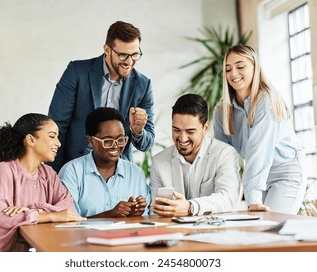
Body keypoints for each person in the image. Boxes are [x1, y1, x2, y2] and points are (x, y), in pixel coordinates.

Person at [48, 20, 155, 173]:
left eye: (135, 54)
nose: (130, 62)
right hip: (77, 166)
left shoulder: (143, 85)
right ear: (107, 49)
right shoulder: (77, 72)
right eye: (123, 55)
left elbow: (146, 143)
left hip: (118, 172)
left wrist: (137, 131)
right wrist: (54, 175)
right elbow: (57, 126)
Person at [0, 113, 85, 252]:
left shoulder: (48, 173)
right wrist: (50, 215)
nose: (58, 143)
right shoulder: (4, 169)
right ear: (31, 140)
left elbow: (68, 207)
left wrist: (34, 210)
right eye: (52, 136)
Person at [213, 45, 307, 214]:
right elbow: (221, 157)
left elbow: (258, 153)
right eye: (228, 69)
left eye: (240, 67)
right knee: (259, 228)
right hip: (258, 173)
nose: (233, 74)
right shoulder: (222, 110)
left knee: (270, 227)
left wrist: (253, 200)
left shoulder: (266, 102)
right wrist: (218, 198)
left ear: (255, 67)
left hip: (285, 171)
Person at [150, 94, 240, 217]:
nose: (182, 138)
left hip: (213, 231)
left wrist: (190, 207)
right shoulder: (159, 162)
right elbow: (156, 211)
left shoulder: (225, 154)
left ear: (205, 128)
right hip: (174, 232)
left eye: (190, 131)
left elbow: (227, 198)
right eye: (176, 130)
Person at [59, 107, 151, 218]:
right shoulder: (72, 171)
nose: (115, 145)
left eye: (120, 139)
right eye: (108, 141)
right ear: (91, 140)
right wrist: (110, 215)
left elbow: (147, 218)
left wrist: (135, 215)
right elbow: (67, 221)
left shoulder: (136, 173)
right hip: (84, 235)